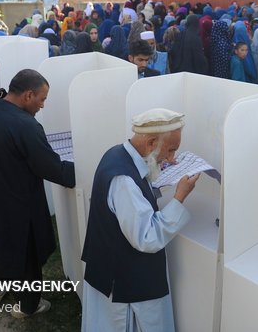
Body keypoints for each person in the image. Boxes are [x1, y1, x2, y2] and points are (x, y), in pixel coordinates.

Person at [0, 69, 75, 318]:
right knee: (25, 250)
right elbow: (51, 168)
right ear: (28, 95)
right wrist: (86, 168)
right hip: (17, 201)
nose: (42, 106)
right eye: (42, 99)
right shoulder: (25, 125)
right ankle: (27, 305)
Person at [81, 108, 200, 332]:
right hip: (126, 282)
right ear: (152, 142)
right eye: (171, 150)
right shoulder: (124, 180)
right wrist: (180, 197)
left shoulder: (117, 153)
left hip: (112, 268)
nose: (172, 158)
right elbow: (147, 237)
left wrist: (158, 167)